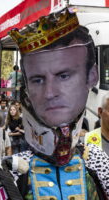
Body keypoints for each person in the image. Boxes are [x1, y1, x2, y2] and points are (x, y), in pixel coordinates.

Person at [9, 8, 109, 199]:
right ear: (27, 87)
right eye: (38, 79)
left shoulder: (98, 162)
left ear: (92, 76)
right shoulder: (12, 171)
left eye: (64, 76)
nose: (50, 93)